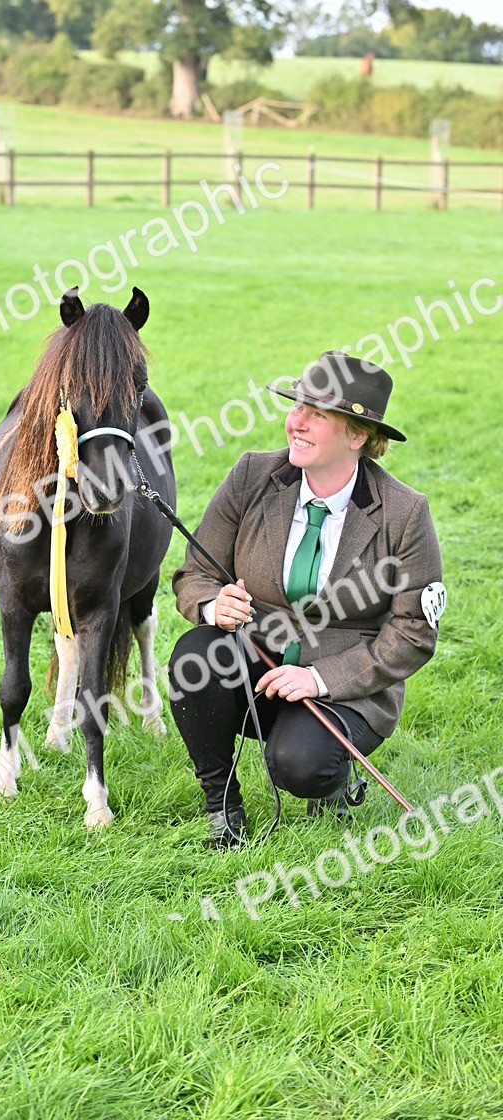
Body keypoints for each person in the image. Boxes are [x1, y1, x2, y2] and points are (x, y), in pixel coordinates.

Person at [169, 350, 444, 849]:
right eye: (297, 406)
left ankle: (333, 781)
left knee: (299, 765)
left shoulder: (404, 514)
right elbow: (196, 573)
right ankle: (222, 807)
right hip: (257, 663)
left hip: (345, 685)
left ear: (358, 435)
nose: (295, 422)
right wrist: (213, 606)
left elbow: (413, 634)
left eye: (317, 414)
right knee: (194, 655)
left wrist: (320, 678)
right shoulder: (253, 475)